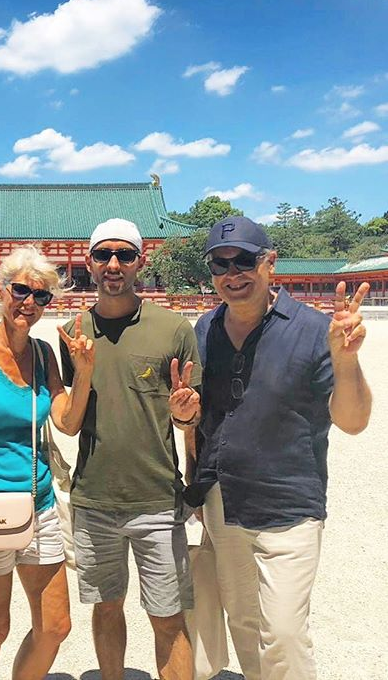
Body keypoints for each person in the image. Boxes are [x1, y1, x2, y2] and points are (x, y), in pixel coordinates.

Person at [186, 216, 372, 680]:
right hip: (223, 500)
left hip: (289, 503)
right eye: (220, 264)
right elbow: (202, 418)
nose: (233, 273)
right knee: (244, 621)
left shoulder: (313, 329)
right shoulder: (205, 329)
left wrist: (346, 361)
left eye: (244, 261)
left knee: (284, 633)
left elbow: (353, 421)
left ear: (270, 263)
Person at [59, 219, 201, 680]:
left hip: (156, 498)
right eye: (104, 254)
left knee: (168, 617)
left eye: (124, 254)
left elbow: (190, 417)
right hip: (94, 497)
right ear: (89, 262)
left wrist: (185, 416)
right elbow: (71, 417)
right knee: (105, 609)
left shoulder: (173, 328)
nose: (114, 264)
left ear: (141, 261)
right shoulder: (74, 330)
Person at [0, 245, 94, 680]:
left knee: (55, 625)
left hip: (39, 503)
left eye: (41, 296)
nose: (29, 303)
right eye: (20, 291)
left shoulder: (42, 355)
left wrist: (84, 372)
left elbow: (67, 422)